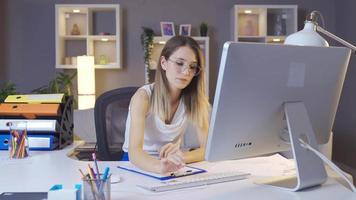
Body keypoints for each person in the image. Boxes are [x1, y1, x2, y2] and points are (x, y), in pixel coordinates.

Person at [122, 36, 210, 174]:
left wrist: (181, 157)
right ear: (163, 63)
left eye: (192, 67)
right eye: (180, 63)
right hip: (136, 163)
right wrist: (159, 167)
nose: (186, 72)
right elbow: (134, 151)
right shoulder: (143, 97)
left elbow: (208, 148)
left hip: (172, 163)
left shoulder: (195, 100)